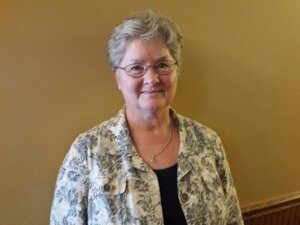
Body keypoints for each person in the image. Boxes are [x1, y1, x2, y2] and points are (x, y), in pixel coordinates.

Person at [50, 10, 244, 225]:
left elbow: (233, 220)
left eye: (162, 65)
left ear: (176, 70)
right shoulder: (87, 153)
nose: (151, 79)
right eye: (136, 68)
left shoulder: (208, 143)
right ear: (117, 77)